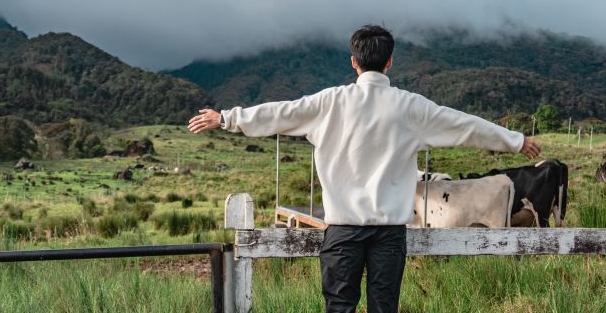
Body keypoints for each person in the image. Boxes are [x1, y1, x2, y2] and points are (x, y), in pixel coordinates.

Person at [187, 24, 541, 313]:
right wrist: (514, 140)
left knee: (340, 308)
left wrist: (227, 118)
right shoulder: (410, 107)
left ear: (353, 62)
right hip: (389, 233)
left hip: (342, 230)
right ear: (389, 63)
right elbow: (465, 126)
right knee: (384, 309)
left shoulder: (329, 102)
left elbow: (280, 112)